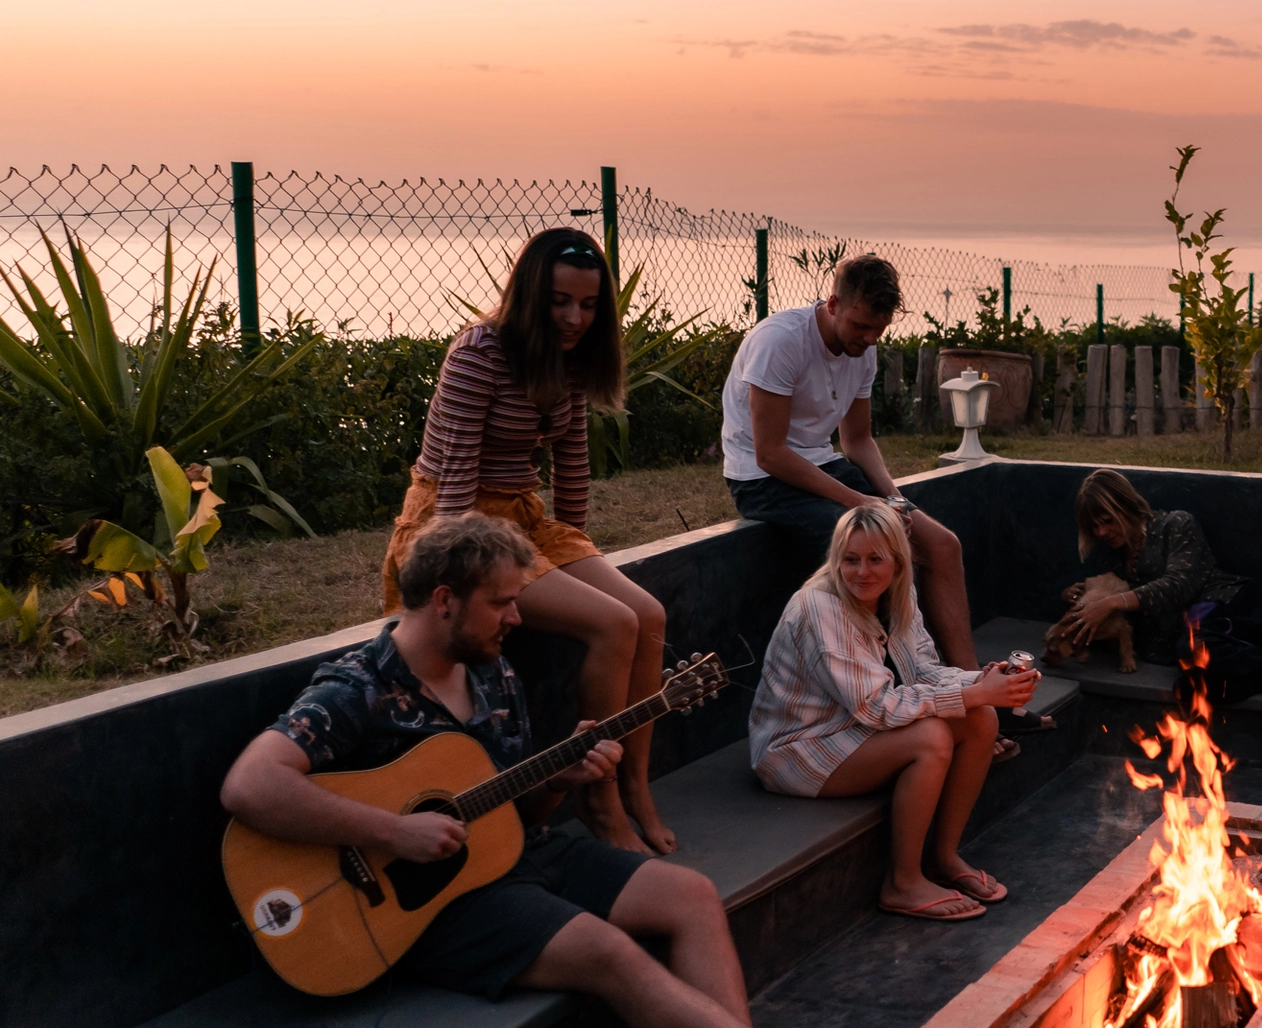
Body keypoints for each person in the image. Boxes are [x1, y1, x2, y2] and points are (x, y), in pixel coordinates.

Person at [226, 515, 749, 1027]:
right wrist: (397, 831)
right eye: (501, 602)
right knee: (611, 953)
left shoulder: (492, 670)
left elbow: (515, 813)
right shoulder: (357, 688)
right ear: (444, 600)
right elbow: (250, 785)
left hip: (517, 854)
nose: (517, 618)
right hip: (431, 904)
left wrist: (559, 780)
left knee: (693, 897)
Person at [380, 227, 674, 855]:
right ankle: (598, 800)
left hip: (526, 519)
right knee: (613, 624)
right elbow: (454, 483)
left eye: (590, 305)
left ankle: (635, 786)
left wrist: (578, 554)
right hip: (457, 523)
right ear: (530, 296)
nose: (575, 318)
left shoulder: (571, 360)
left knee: (647, 616)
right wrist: (458, 581)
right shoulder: (479, 354)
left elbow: (571, 468)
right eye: (561, 301)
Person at [749, 503, 1038, 922]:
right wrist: (975, 693)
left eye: (874, 560)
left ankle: (942, 857)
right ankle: (902, 882)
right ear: (836, 560)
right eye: (850, 560)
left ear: (897, 564)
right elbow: (874, 707)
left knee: (982, 720)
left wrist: (984, 682)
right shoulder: (819, 607)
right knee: (933, 738)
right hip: (798, 749)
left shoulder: (898, 595)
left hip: (851, 729)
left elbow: (923, 670)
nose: (862, 572)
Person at [720, 254, 972, 671]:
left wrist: (893, 500)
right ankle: (903, 692)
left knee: (942, 545)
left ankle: (971, 690)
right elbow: (771, 454)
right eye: (861, 326)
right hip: (762, 479)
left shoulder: (863, 350)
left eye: (879, 329)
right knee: (874, 551)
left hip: (824, 465)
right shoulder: (780, 342)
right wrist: (861, 503)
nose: (870, 338)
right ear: (833, 303)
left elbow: (856, 441)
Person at [1058, 469, 1262, 701]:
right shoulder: (1113, 561)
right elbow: (1120, 626)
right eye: (1094, 527)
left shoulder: (1176, 524)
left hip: (1246, 607)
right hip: (1220, 643)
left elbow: (1180, 585)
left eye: (1105, 521)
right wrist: (1082, 596)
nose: (1101, 532)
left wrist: (1113, 601)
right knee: (1195, 657)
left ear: (1125, 505)